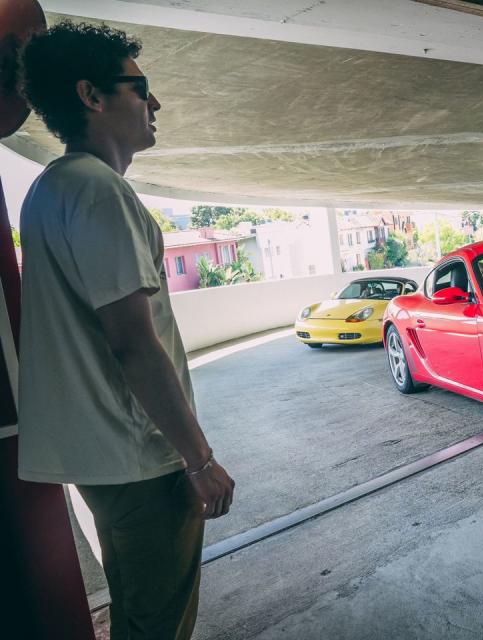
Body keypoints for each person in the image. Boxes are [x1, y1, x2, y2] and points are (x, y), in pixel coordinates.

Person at [17, 22, 234, 639]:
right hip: (142, 461)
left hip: (103, 463)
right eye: (141, 88)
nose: (155, 103)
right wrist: (199, 459)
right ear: (92, 95)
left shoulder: (48, 190)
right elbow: (132, 341)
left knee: (138, 615)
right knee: (159, 624)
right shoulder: (99, 191)